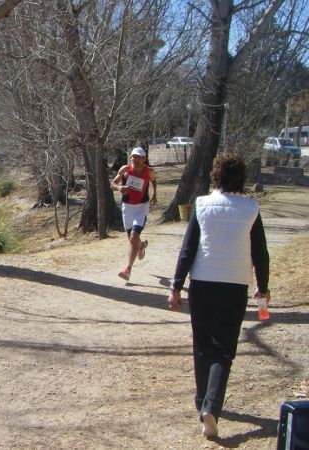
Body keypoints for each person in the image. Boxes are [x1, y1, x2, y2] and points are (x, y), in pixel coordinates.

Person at [167, 153, 270, 439]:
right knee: (223, 349)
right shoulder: (250, 208)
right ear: (241, 178)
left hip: (201, 283)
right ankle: (211, 406)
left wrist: (176, 286)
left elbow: (188, 249)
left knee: (202, 345)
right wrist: (263, 286)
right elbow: (260, 253)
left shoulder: (201, 204)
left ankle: (203, 403)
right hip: (234, 285)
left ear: (215, 175)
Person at [111, 146, 157, 280]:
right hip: (127, 207)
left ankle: (128, 270)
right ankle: (141, 246)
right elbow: (113, 183)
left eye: (138, 157)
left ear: (144, 159)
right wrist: (119, 187)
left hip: (142, 207)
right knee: (132, 240)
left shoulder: (149, 171)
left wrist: (154, 195)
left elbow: (153, 181)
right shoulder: (125, 170)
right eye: (133, 156)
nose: (134, 159)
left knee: (133, 237)